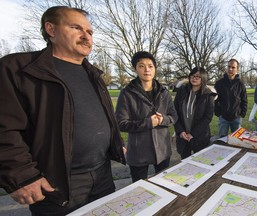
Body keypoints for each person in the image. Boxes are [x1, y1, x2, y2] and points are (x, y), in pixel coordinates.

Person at [0, 6, 126, 215]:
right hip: (57, 182)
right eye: (76, 27)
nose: (86, 36)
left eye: (90, 32)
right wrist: (21, 175)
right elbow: (4, 129)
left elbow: (104, 117)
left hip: (102, 174)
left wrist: (116, 143)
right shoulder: (17, 69)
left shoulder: (94, 74)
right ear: (51, 29)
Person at [115, 51, 178, 183]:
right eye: (141, 66)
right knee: (139, 189)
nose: (146, 70)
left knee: (164, 184)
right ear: (135, 69)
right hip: (139, 152)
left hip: (162, 149)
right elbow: (121, 123)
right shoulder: (127, 93)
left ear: (155, 68)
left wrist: (163, 120)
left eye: (150, 66)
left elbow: (173, 116)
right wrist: (148, 123)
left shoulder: (164, 92)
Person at [173, 67, 217, 159]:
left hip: (200, 137)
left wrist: (193, 133)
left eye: (198, 76)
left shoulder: (208, 95)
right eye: (192, 76)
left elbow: (207, 118)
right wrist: (180, 131)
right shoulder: (181, 91)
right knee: (184, 163)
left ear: (203, 78)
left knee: (200, 162)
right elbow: (175, 112)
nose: (194, 78)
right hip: (183, 136)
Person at [214, 58, 248, 137]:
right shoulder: (219, 83)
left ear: (237, 69)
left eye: (233, 67)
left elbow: (244, 100)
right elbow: (214, 100)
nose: (230, 69)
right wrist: (218, 113)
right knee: (222, 141)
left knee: (237, 141)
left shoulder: (241, 85)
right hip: (223, 118)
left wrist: (242, 114)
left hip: (237, 118)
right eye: (229, 66)